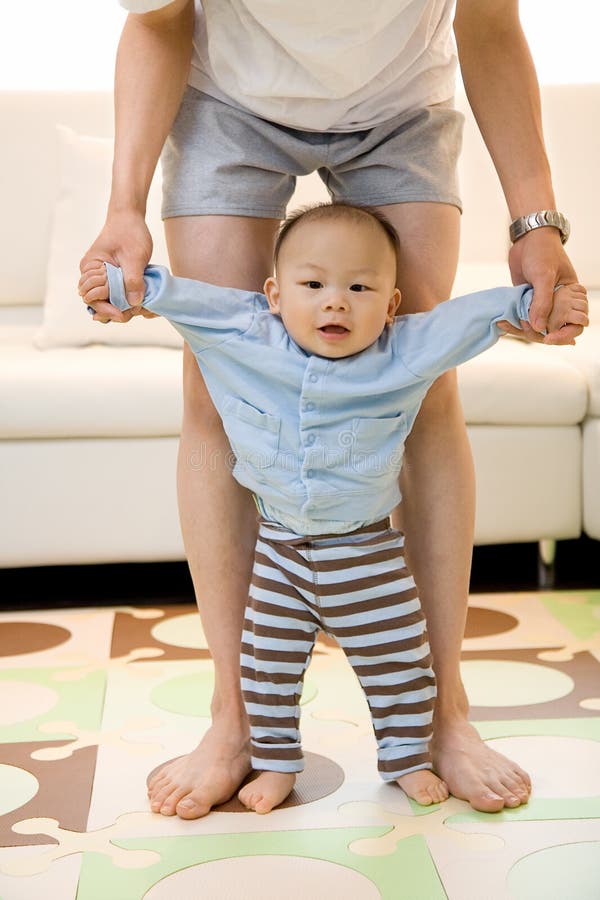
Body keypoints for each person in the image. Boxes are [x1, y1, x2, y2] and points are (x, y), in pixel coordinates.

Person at [80, 0, 583, 817]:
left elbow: (488, 19)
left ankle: (445, 714)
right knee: (215, 387)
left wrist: (536, 221)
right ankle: (235, 719)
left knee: (421, 387)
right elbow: (157, 20)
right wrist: (124, 205)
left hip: (399, 108)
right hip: (229, 103)